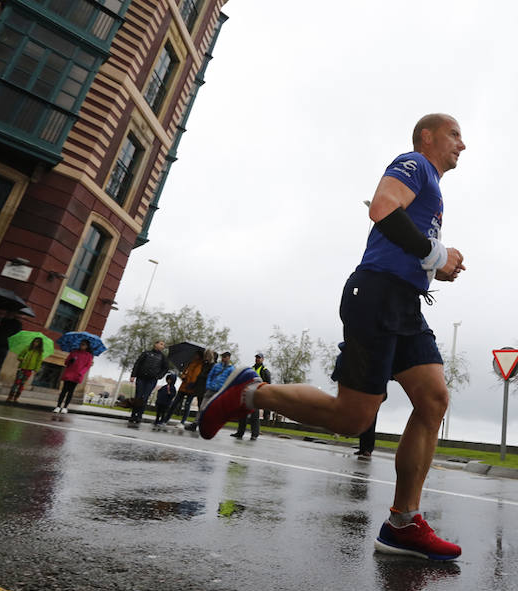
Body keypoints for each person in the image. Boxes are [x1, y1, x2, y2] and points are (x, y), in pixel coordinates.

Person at [197, 114, 466, 560]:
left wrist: (439, 266)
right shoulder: (414, 164)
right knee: (352, 419)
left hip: (405, 304)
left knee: (434, 399)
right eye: (455, 134)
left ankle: (403, 523)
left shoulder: (434, 190)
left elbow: (409, 242)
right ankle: (251, 392)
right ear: (427, 136)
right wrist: (436, 253)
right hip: (376, 295)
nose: (463, 144)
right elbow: (382, 209)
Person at [232, 353, 271, 440]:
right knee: (242, 414)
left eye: (259, 358)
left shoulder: (265, 371)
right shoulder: (251, 369)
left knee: (254, 416)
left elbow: (268, 386)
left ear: (262, 359)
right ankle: (240, 433)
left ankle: (254, 435)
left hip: (257, 396)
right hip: (248, 395)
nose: (257, 359)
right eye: (256, 358)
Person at [128, 340, 167, 423]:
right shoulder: (146, 353)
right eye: (161, 344)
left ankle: (139, 415)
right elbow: (137, 364)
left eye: (163, 345)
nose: (162, 346)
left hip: (152, 380)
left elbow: (165, 368)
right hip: (141, 378)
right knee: (138, 396)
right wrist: (133, 375)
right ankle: (133, 415)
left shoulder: (163, 357)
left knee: (145, 397)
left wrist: (159, 376)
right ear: (155, 344)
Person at [54, 340, 94, 413]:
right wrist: (70, 361)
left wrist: (80, 373)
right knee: (64, 391)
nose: (82, 345)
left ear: (87, 346)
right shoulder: (74, 352)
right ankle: (58, 406)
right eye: (81, 344)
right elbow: (66, 362)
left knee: (70, 392)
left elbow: (87, 366)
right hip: (69, 373)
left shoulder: (89, 356)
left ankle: (65, 407)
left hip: (77, 375)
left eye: (84, 344)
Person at [165, 349, 204, 425]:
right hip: (184, 386)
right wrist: (183, 376)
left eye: (196, 355)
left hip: (191, 387)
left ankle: (182, 422)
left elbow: (195, 376)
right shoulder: (190, 363)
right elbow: (185, 372)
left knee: (187, 405)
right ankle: (166, 419)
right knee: (175, 403)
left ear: (199, 356)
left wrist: (191, 383)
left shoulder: (200, 365)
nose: (195, 356)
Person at [180, 349, 215, 431]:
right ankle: (198, 423)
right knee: (200, 407)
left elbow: (207, 376)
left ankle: (199, 423)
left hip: (205, 388)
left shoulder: (212, 365)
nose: (206, 357)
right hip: (200, 387)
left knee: (202, 407)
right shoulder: (204, 364)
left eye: (207, 356)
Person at [7, 337, 45, 403]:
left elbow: (39, 361)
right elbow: (20, 355)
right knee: (17, 382)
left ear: (40, 344)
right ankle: (10, 396)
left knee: (22, 384)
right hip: (22, 368)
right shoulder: (27, 348)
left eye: (37, 342)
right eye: (35, 341)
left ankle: (16, 397)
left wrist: (36, 369)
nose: (35, 343)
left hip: (29, 370)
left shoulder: (39, 352)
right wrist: (21, 358)